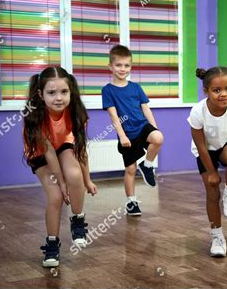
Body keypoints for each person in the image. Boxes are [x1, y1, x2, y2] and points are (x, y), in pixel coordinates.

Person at [23, 67, 97, 267]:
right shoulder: (36, 116)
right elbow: (48, 153)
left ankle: (78, 219)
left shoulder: (75, 113)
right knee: (55, 196)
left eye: (64, 92)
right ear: (40, 94)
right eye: (51, 92)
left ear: (71, 91)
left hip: (63, 145)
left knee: (75, 175)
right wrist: (61, 183)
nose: (59, 98)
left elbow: (80, 148)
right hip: (40, 153)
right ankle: (52, 244)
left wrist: (87, 179)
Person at [188, 66, 227, 257]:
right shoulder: (197, 112)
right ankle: (217, 236)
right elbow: (200, 145)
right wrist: (212, 172)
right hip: (205, 152)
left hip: (225, 144)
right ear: (206, 91)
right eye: (217, 90)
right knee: (212, 193)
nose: (224, 94)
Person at [102, 45, 164, 216]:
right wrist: (122, 136)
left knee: (158, 137)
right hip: (127, 134)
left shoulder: (136, 87)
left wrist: (154, 127)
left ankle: (147, 165)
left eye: (126, 65)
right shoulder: (108, 90)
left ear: (131, 67)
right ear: (111, 67)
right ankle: (131, 202)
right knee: (130, 169)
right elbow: (114, 116)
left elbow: (146, 109)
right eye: (119, 65)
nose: (123, 69)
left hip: (143, 126)